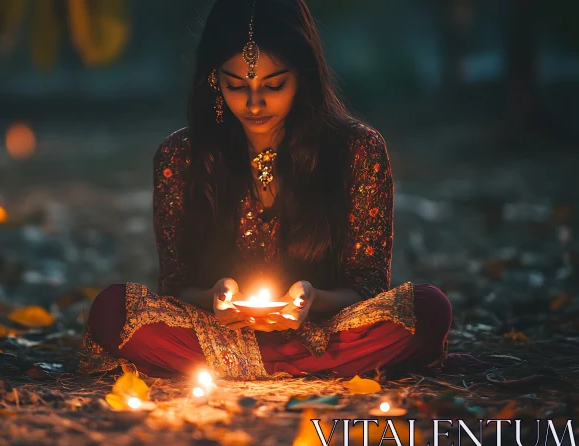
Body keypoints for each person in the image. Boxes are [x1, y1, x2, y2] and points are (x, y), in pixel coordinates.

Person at [76, 0, 479, 380]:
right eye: (236, 86)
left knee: (428, 309)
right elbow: (177, 285)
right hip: (218, 333)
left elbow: (369, 286)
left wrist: (311, 298)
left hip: (329, 330)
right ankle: (304, 367)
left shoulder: (358, 150)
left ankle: (250, 366)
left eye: (274, 84)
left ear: (302, 77)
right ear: (214, 81)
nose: (254, 104)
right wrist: (216, 296)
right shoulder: (181, 157)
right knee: (114, 309)